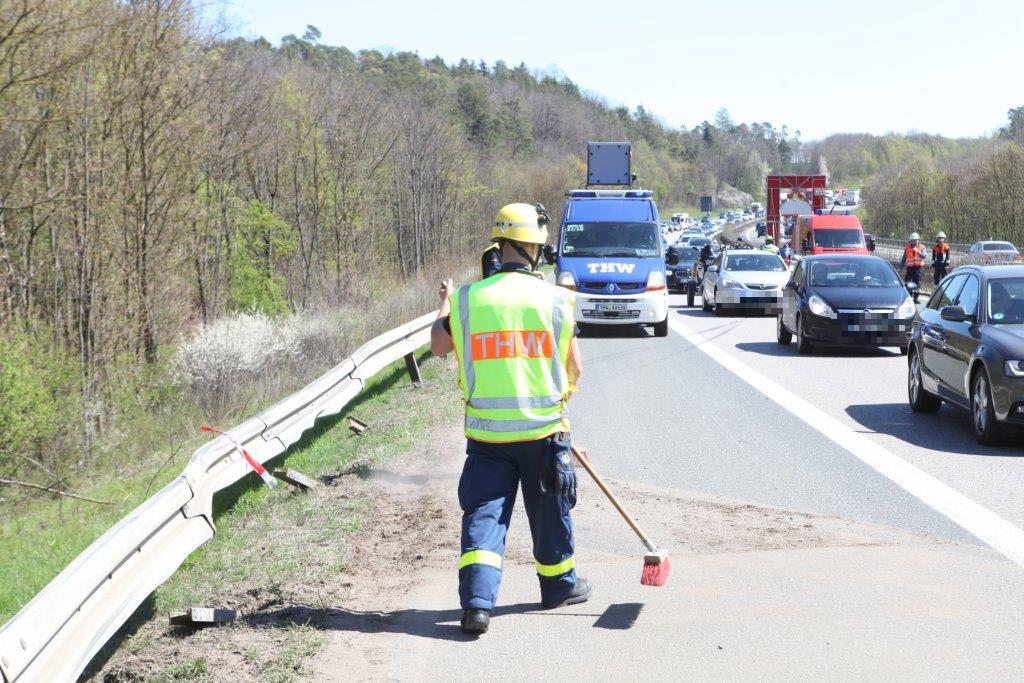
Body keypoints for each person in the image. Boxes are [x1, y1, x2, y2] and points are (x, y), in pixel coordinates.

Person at [431, 202, 589, 636]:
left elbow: (438, 348)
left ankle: (477, 605)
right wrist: (560, 405)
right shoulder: (557, 300)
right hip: (543, 432)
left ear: (500, 245)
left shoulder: (467, 300)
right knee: (550, 512)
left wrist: (444, 305)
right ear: (534, 248)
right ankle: (559, 586)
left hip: (487, 437)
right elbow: (575, 366)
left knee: (483, 515)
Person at [901, 232, 926, 299]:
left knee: (917, 282)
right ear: (910, 241)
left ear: (918, 240)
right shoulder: (907, 248)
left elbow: (924, 256)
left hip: (918, 268)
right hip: (910, 268)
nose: (915, 242)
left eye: (916, 240)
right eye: (913, 240)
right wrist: (901, 267)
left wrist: (917, 251)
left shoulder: (922, 247)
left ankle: (916, 298)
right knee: (908, 282)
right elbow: (904, 258)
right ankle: (909, 296)